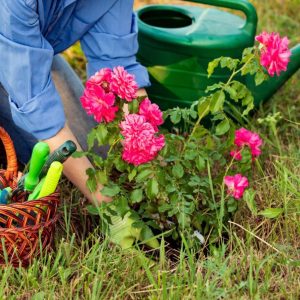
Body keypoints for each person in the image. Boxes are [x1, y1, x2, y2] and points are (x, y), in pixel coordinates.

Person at [0, 1, 150, 204]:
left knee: (98, 153)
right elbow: (38, 111)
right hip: (12, 45)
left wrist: (151, 159)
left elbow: (119, 69)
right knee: (35, 155)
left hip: (25, 54)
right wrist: (106, 204)